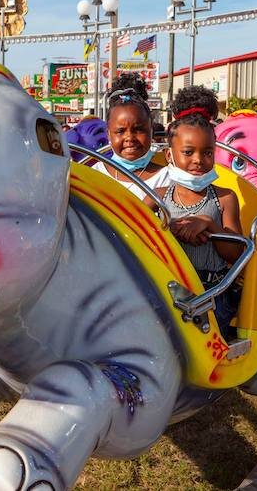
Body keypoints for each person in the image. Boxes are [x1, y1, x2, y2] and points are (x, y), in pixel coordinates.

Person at [147, 86, 243, 339]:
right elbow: (136, 233)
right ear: (169, 154)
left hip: (212, 292)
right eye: (188, 152)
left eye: (207, 152)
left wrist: (209, 224)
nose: (199, 160)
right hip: (168, 290)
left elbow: (236, 254)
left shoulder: (224, 198)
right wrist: (170, 230)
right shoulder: (157, 196)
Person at [92, 73, 170, 200]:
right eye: (120, 131)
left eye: (138, 129)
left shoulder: (167, 178)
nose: (130, 137)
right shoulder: (95, 175)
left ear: (151, 131)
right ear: (108, 134)